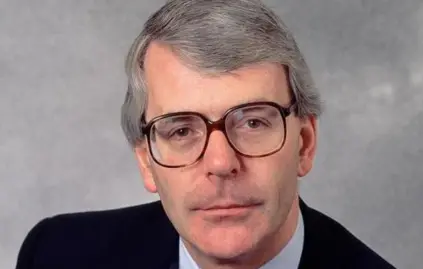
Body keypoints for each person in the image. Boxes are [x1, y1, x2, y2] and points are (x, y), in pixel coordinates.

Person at [15, 0, 396, 268]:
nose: (221, 163)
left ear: (304, 144)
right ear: (146, 161)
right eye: (181, 130)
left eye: (252, 122)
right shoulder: (57, 255)